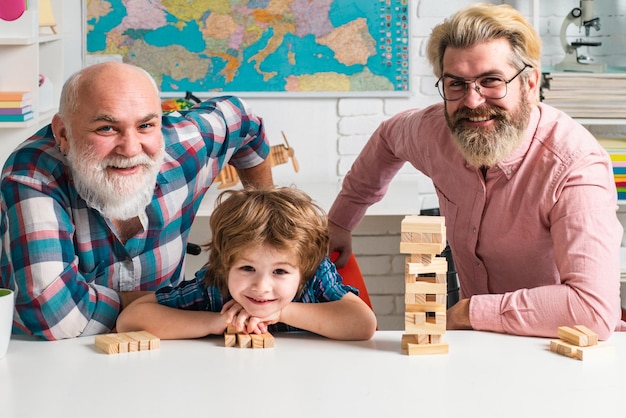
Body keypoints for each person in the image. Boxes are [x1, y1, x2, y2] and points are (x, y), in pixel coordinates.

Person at [327, 3, 625, 340]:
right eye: (456, 84)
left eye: (491, 81)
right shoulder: (433, 132)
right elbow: (386, 140)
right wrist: (340, 221)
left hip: (559, 348)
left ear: (529, 84)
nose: (472, 100)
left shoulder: (575, 166)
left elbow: (593, 309)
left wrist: (470, 311)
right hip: (478, 347)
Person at [0, 62, 274, 341]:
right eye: (106, 128)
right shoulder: (32, 176)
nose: (131, 149)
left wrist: (268, 222)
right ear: (63, 133)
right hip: (61, 364)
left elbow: (242, 119)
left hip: (169, 356)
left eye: (145, 125)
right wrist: (185, 304)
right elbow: (55, 314)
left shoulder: (183, 146)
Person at [116, 187, 377, 340]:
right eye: (247, 268)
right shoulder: (216, 285)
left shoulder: (315, 275)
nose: (261, 287)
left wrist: (280, 313)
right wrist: (215, 322)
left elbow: (363, 323)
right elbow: (131, 320)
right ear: (224, 264)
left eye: (280, 271)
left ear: (304, 268)